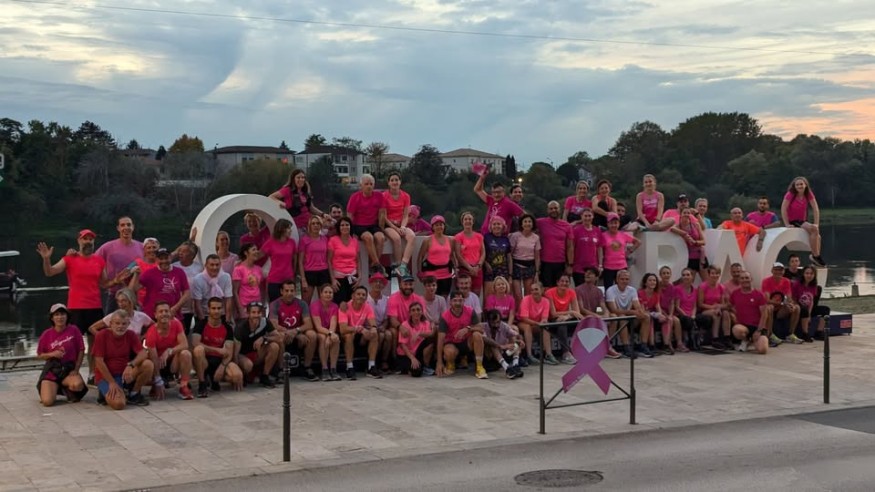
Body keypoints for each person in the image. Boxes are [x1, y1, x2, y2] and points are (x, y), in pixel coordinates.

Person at [37, 229, 110, 384]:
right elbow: (50, 272)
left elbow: (104, 283)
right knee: (70, 343)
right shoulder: (69, 258)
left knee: (95, 344)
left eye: (90, 239)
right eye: (85, 239)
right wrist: (46, 259)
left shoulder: (99, 261)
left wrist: (119, 280)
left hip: (95, 307)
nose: (88, 241)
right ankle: (68, 373)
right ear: (79, 241)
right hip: (76, 307)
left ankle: (92, 374)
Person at [93, 310, 154, 409]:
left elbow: (143, 353)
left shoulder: (131, 334)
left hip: (124, 373)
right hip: (107, 376)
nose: (120, 326)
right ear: (111, 323)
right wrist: (111, 382)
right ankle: (109, 392)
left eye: (124, 324)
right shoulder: (102, 335)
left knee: (148, 364)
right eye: (117, 323)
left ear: (128, 324)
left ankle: (133, 394)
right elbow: (99, 361)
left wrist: (131, 365)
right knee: (119, 404)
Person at [36, 304, 87, 406]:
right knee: (47, 402)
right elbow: (39, 355)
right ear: (52, 318)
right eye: (57, 315)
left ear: (67, 316)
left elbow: (81, 350)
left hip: (68, 368)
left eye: (63, 314)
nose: (60, 317)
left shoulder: (74, 330)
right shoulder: (46, 334)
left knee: (77, 385)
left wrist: (76, 369)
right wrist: (52, 354)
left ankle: (64, 388)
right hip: (53, 368)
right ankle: (50, 388)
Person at [269, 280, 319, 382]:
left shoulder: (302, 304)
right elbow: (274, 325)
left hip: (297, 333)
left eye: (292, 291)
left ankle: (307, 367)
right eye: (287, 291)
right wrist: (291, 332)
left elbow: (308, 324)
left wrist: (296, 331)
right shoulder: (275, 304)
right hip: (284, 333)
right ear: (281, 291)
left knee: (312, 334)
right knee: (279, 336)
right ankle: (281, 370)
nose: (289, 293)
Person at [192, 297, 243, 397]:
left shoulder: (227, 327)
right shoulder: (200, 324)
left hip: (219, 362)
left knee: (237, 376)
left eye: (219, 308)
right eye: (213, 308)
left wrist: (222, 367)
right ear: (208, 309)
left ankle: (214, 380)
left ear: (222, 310)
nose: (216, 311)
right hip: (204, 361)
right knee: (198, 350)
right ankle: (202, 383)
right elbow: (195, 343)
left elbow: (229, 352)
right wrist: (218, 350)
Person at [143, 302, 194, 400]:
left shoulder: (176, 324)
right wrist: (158, 380)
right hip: (158, 363)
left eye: (166, 311)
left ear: (170, 313)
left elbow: (185, 344)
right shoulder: (151, 332)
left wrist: (169, 351)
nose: (164, 314)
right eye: (161, 311)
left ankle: (184, 386)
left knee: (186, 353)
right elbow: (153, 357)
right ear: (155, 315)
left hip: (172, 361)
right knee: (149, 361)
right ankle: (155, 383)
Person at [128, 247, 191, 323]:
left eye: (166, 258)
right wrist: (136, 275)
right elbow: (132, 289)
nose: (164, 261)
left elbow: (187, 293)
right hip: (152, 315)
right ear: (156, 260)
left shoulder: (179, 272)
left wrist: (176, 307)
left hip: (173, 314)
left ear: (170, 258)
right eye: (161, 259)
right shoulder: (149, 273)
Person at [95, 216, 144, 312]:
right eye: (122, 225)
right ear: (118, 228)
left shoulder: (141, 247)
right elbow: (92, 260)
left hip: (134, 294)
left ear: (133, 227)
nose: (126, 227)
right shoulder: (107, 247)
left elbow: (155, 262)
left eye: (128, 225)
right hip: (114, 293)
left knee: (136, 320)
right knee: (110, 320)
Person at [436, 290, 486, 379]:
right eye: (455, 300)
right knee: (449, 351)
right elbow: (440, 340)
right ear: (450, 302)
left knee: (477, 335)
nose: (458, 303)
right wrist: (439, 362)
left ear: (464, 301)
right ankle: (450, 363)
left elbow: (481, 329)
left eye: (460, 300)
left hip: (466, 342)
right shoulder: (445, 316)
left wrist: (468, 328)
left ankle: (479, 367)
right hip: (452, 343)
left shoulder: (470, 311)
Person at [605, 270, 652, 358]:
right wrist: (632, 312)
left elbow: (637, 305)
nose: (624, 281)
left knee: (646, 317)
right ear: (617, 280)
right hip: (616, 315)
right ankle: (626, 347)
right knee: (622, 318)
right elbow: (613, 309)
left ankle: (643, 345)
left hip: (629, 315)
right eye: (622, 279)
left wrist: (640, 312)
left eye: (626, 279)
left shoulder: (632, 290)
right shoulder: (610, 290)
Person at [340, 285, 383, 380]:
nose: (361, 296)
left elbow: (373, 323)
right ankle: (349, 367)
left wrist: (373, 328)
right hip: (346, 335)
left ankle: (371, 366)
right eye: (358, 294)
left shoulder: (367, 307)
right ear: (353, 296)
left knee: (374, 334)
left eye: (363, 295)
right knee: (349, 335)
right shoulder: (345, 307)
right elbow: (343, 329)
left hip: (360, 335)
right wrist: (360, 329)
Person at [235, 302, 281, 388]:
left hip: (257, 353)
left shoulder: (265, 322)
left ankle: (265, 376)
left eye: (258, 312)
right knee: (248, 365)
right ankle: (243, 375)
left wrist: (264, 338)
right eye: (253, 312)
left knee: (274, 346)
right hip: (243, 355)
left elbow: (278, 337)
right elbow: (236, 352)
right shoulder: (241, 327)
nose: (256, 315)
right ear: (248, 313)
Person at [346, 174, 386, 274]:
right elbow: (349, 216)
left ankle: (373, 265)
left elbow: (382, 213)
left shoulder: (379, 196)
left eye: (371, 184)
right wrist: (350, 232)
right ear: (361, 186)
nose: (369, 186)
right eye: (366, 184)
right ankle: (377, 264)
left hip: (374, 224)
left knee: (380, 238)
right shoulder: (355, 197)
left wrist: (382, 229)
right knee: (368, 238)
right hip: (359, 225)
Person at [781, 176, 825, 266]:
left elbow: (815, 209)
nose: (799, 186)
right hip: (793, 220)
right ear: (794, 186)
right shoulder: (790, 194)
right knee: (814, 229)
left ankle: (815, 258)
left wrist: (816, 224)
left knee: (818, 236)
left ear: (805, 185)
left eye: (801, 184)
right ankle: (816, 256)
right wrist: (787, 224)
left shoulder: (808, 193)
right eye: (797, 185)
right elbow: (783, 209)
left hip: (802, 220)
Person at [386, 275, 427, 370]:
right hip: (400, 326)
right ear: (400, 285)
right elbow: (392, 319)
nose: (408, 286)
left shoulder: (419, 299)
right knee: (394, 331)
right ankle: (394, 359)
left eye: (410, 284)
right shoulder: (393, 298)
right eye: (405, 284)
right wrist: (401, 327)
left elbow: (423, 317)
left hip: (416, 326)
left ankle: (426, 362)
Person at [380, 172, 416, 277]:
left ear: (400, 182)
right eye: (392, 180)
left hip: (401, 224)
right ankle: (398, 264)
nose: (394, 182)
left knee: (412, 236)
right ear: (388, 183)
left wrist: (403, 227)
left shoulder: (406, 196)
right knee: (396, 238)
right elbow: (384, 217)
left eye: (396, 180)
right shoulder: (384, 196)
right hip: (388, 224)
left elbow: (405, 215)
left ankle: (403, 265)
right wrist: (395, 228)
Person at [544, 274, 584, 365]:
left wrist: (567, 316)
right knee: (562, 324)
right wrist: (570, 312)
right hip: (553, 321)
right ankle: (566, 353)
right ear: (557, 282)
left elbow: (577, 312)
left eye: (567, 281)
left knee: (582, 322)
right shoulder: (549, 292)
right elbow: (553, 313)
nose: (564, 283)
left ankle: (583, 350)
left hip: (566, 318)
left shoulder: (571, 292)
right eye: (562, 281)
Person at [728, 272, 770, 354]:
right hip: (744, 327)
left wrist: (759, 330)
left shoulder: (759, 294)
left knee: (762, 350)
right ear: (739, 280)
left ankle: (754, 341)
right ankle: (746, 340)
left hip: (757, 327)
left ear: (751, 279)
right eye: (742, 278)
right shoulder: (735, 293)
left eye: (747, 278)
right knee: (736, 329)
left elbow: (764, 314)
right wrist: (718, 307)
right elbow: (729, 306)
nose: (745, 280)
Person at [474, 168, 524, 236]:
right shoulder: (491, 200)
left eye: (499, 192)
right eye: (494, 192)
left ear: (503, 192)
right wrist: (482, 178)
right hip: (486, 235)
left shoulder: (509, 203)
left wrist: (523, 232)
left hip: (500, 237)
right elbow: (477, 190)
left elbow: (524, 215)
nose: (496, 195)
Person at [88, 288, 154, 339]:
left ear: (130, 301)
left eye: (123, 301)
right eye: (118, 301)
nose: (120, 304)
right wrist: (105, 339)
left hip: (135, 348)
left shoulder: (141, 316)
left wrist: (144, 337)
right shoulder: (113, 316)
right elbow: (92, 328)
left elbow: (154, 326)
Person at [762, 262, 801, 345]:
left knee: (796, 308)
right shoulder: (766, 281)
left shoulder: (786, 281)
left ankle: (790, 334)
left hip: (780, 309)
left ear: (783, 271)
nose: (778, 272)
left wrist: (791, 304)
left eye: (780, 270)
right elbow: (767, 300)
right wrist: (782, 304)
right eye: (776, 270)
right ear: (772, 270)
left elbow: (789, 297)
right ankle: (770, 335)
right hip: (771, 308)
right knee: (770, 307)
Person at [536, 201, 573, 288]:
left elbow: (570, 246)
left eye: (556, 208)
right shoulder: (540, 222)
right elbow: (526, 221)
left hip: (561, 263)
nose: (553, 210)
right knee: (546, 289)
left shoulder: (567, 226)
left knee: (560, 288)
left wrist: (570, 265)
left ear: (560, 209)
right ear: (547, 210)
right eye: (551, 208)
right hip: (545, 263)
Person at [260, 218, 297, 302]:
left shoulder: (292, 242)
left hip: (288, 279)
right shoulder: (270, 242)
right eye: (288, 228)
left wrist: (293, 274)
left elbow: (295, 260)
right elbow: (258, 255)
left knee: (288, 304)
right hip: (274, 279)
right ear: (282, 229)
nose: (291, 231)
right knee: (274, 304)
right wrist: (242, 260)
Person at [600, 212, 640, 290]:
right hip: (608, 266)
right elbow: (600, 249)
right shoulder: (603, 235)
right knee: (608, 289)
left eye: (615, 223)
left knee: (622, 288)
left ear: (618, 224)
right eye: (611, 223)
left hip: (621, 266)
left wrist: (629, 251)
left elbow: (638, 242)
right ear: (608, 224)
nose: (613, 225)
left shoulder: (623, 235)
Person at [417, 215, 455, 296]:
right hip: (431, 274)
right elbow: (420, 256)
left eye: (441, 225)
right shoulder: (427, 240)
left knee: (444, 297)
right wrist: (420, 272)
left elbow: (452, 256)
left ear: (444, 226)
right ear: (433, 227)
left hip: (446, 274)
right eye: (436, 225)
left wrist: (456, 268)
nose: (439, 227)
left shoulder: (450, 240)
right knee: (432, 297)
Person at [171, 240, 203, 333]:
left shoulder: (200, 268)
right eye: (180, 251)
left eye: (184, 251)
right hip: (179, 308)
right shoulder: (173, 267)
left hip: (195, 307)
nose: (180, 253)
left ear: (192, 255)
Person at [396, 300, 435, 377]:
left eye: (418, 310)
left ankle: (426, 365)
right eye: (413, 310)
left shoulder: (426, 323)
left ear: (422, 311)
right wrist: (412, 358)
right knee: (416, 373)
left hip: (418, 351)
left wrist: (419, 333)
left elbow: (430, 334)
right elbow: (403, 346)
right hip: (406, 354)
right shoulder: (405, 325)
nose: (416, 312)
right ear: (410, 313)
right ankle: (406, 369)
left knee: (430, 340)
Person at [311, 284, 341, 381]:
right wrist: (329, 334)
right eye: (326, 292)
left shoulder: (335, 306)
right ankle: (324, 369)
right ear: (321, 294)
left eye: (330, 292)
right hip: (319, 330)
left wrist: (331, 335)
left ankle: (333, 368)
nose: (328, 294)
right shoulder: (315, 305)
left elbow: (333, 323)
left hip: (329, 331)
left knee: (335, 339)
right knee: (323, 338)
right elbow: (318, 327)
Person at [191, 254, 234, 323]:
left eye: (217, 265)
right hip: (204, 314)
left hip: (221, 313)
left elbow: (228, 299)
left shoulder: (226, 277)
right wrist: (203, 322)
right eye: (212, 265)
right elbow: (197, 303)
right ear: (206, 265)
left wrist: (227, 319)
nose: (215, 267)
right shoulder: (198, 279)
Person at [697, 266, 732, 350]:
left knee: (726, 313)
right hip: (705, 310)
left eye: (717, 273)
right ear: (709, 274)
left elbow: (723, 303)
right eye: (712, 273)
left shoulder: (721, 287)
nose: (715, 275)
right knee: (716, 314)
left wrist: (719, 307)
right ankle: (715, 339)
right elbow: (700, 304)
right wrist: (713, 307)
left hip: (717, 308)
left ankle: (727, 338)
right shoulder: (703, 286)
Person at [482, 309, 523, 379]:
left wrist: (520, 340)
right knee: (493, 345)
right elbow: (485, 339)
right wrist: (501, 346)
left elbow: (516, 334)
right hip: (488, 358)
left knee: (515, 341)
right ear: (488, 321)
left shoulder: (504, 326)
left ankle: (515, 365)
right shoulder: (483, 326)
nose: (496, 325)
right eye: (493, 323)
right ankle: (507, 369)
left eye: (498, 322)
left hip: (501, 356)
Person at [638, 273, 674, 354]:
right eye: (650, 280)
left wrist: (660, 315)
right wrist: (655, 314)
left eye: (654, 280)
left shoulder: (656, 294)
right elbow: (642, 310)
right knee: (649, 318)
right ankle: (651, 345)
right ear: (645, 283)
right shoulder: (640, 293)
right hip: (643, 316)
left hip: (652, 313)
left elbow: (658, 307)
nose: (652, 282)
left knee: (666, 320)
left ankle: (666, 345)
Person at [298, 215, 331, 303]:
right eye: (313, 224)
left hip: (323, 272)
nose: (315, 225)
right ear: (309, 226)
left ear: (320, 225)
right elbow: (300, 261)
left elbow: (328, 258)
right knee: (305, 302)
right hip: (309, 272)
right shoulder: (304, 240)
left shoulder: (325, 239)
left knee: (324, 301)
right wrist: (303, 279)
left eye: (317, 223)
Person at [327, 217, 360, 304]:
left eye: (347, 225)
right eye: (342, 225)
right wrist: (332, 280)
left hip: (352, 277)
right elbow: (329, 261)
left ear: (350, 226)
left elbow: (358, 260)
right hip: (338, 277)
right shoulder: (333, 240)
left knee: (352, 303)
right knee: (340, 304)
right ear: (339, 227)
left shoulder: (355, 241)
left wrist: (359, 277)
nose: (345, 227)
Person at [509, 213, 540, 304]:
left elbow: (537, 256)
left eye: (529, 222)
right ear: (521, 224)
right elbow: (510, 253)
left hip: (530, 266)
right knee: (517, 294)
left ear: (532, 224)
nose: (527, 224)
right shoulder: (515, 236)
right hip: (516, 266)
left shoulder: (536, 237)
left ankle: (526, 311)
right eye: (525, 222)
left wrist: (537, 272)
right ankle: (518, 311)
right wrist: (510, 271)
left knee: (528, 294)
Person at [793, 265, 830, 342]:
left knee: (826, 309)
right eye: (807, 273)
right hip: (799, 307)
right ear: (803, 274)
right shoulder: (797, 284)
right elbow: (794, 299)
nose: (809, 275)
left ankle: (819, 332)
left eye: (811, 274)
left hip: (808, 307)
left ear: (814, 275)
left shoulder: (813, 286)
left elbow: (812, 300)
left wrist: (809, 314)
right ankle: (805, 333)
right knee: (804, 310)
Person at [517, 282, 550, 365]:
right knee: (527, 327)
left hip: (536, 324)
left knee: (545, 326)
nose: (534, 292)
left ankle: (548, 355)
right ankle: (529, 355)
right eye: (532, 290)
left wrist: (542, 322)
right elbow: (524, 318)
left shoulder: (546, 301)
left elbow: (544, 318)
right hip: (522, 322)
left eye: (536, 289)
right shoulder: (526, 299)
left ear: (542, 290)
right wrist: (537, 323)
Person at [454, 211, 486, 296]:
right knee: (463, 294)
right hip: (464, 269)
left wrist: (478, 266)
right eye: (466, 219)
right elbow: (458, 255)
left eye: (470, 219)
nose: (468, 221)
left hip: (477, 269)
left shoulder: (479, 236)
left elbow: (483, 252)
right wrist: (469, 268)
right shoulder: (458, 237)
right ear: (462, 222)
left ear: (473, 221)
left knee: (476, 294)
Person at [657, 266, 687, 353]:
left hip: (668, 312)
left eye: (668, 273)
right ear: (660, 275)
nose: (666, 275)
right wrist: (665, 315)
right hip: (659, 311)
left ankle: (679, 343)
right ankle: (668, 343)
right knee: (669, 320)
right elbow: (657, 303)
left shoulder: (672, 287)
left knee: (676, 320)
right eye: (664, 273)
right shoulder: (657, 287)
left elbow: (672, 303)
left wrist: (670, 314)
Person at [675, 268, 705, 351]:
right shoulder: (677, 289)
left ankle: (699, 339)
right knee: (687, 320)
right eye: (683, 275)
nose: (685, 277)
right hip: (681, 314)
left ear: (692, 277)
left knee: (705, 318)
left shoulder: (695, 290)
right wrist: (686, 315)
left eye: (688, 275)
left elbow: (694, 306)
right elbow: (677, 307)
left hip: (691, 314)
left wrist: (693, 315)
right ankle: (687, 340)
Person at [232, 243, 264, 322]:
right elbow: (235, 291)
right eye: (253, 250)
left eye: (257, 249)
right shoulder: (238, 269)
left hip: (257, 306)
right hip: (245, 306)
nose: (256, 252)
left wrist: (262, 306)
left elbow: (260, 288)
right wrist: (240, 309)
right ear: (246, 253)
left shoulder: (259, 269)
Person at [672, 208, 706, 279]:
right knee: (689, 280)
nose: (687, 214)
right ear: (681, 214)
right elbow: (671, 229)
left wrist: (695, 242)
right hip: (689, 257)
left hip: (700, 255)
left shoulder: (696, 225)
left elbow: (704, 241)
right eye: (684, 213)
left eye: (688, 213)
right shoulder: (678, 226)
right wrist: (684, 234)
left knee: (706, 280)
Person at [483, 216, 513, 297]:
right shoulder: (486, 237)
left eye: (499, 224)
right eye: (494, 224)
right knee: (488, 296)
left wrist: (510, 274)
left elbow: (509, 258)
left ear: (503, 226)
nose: (496, 226)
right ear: (491, 226)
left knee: (503, 296)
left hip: (503, 271)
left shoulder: (505, 239)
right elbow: (481, 253)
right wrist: (485, 264)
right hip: (489, 270)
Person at [572, 209, 601, 286]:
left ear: (593, 216)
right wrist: (570, 264)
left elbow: (599, 248)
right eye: (585, 216)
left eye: (589, 216)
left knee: (592, 290)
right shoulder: (576, 230)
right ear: (581, 216)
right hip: (579, 268)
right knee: (580, 290)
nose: (587, 218)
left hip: (593, 267)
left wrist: (600, 265)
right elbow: (571, 247)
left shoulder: (597, 231)